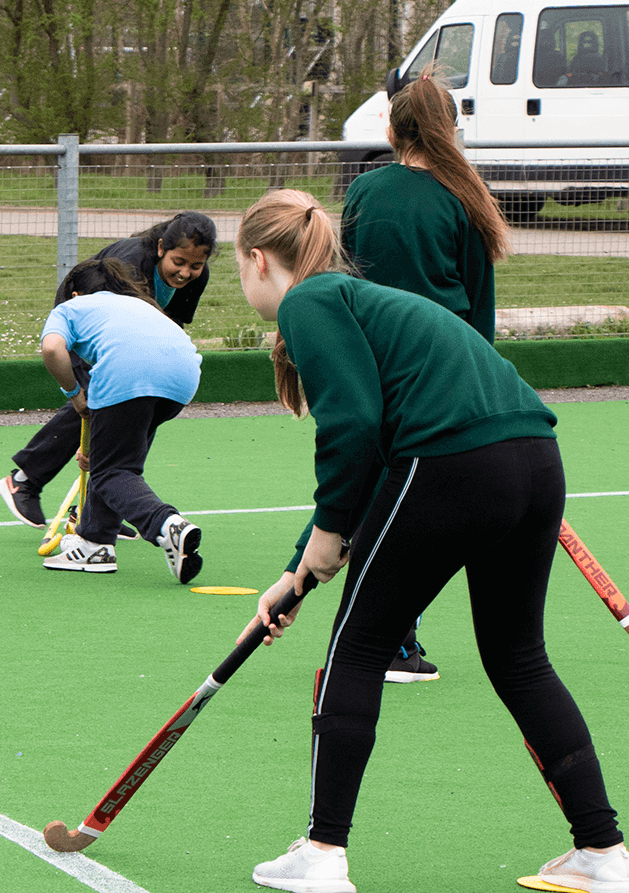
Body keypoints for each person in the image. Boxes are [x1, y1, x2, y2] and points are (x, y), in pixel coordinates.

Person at [235, 188, 627, 893]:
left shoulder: (311, 302)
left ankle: (322, 854)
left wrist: (328, 537)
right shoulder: (368, 304)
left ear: (257, 259)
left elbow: (352, 428)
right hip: (535, 459)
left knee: (358, 645)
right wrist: (298, 572)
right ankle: (602, 851)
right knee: (519, 658)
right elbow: (376, 462)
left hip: (452, 463)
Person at [341, 67, 512, 683]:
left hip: (378, 367)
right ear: (450, 127)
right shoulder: (465, 196)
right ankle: (393, 642)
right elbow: (477, 306)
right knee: (425, 508)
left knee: (382, 497)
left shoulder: (365, 190)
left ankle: (385, 639)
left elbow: (349, 281)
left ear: (391, 126)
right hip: (445, 374)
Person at [0, 212, 216, 540]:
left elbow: (171, 322)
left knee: (137, 406)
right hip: (91, 322)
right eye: (178, 261)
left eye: (195, 266)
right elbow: (107, 314)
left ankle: (103, 507)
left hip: (134, 344)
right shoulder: (129, 260)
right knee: (94, 403)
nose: (185, 273)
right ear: (161, 248)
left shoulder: (197, 275)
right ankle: (25, 479)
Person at [37, 257, 203, 580]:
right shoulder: (136, 306)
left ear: (75, 294)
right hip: (184, 375)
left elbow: (52, 349)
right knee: (116, 465)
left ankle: (168, 524)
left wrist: (74, 394)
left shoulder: (71, 309)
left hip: (128, 370)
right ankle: (94, 542)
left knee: (110, 470)